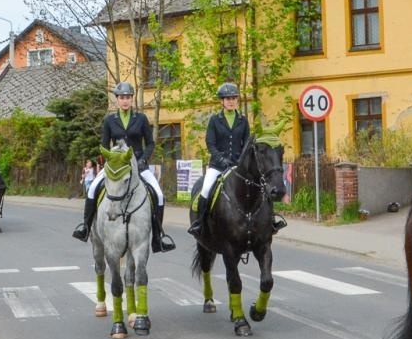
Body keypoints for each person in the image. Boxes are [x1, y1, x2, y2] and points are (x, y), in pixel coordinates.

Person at [71, 82, 175, 253]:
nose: (125, 101)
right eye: (121, 98)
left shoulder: (140, 119)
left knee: (159, 195)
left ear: (132, 99)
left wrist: (142, 160)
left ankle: (158, 237)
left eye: (128, 97)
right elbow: (104, 145)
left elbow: (150, 143)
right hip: (116, 167)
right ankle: (85, 228)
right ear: (117, 100)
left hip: (138, 166)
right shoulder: (109, 121)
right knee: (92, 190)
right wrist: (108, 162)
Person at [186, 82, 286, 238]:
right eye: (227, 99)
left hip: (238, 166)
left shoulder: (243, 120)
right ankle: (200, 224)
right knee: (205, 190)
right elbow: (210, 143)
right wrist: (221, 159)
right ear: (222, 101)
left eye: (233, 98)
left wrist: (240, 161)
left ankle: (271, 221)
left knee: (261, 187)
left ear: (237, 100)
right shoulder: (214, 120)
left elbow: (246, 144)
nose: (231, 101)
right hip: (217, 166)